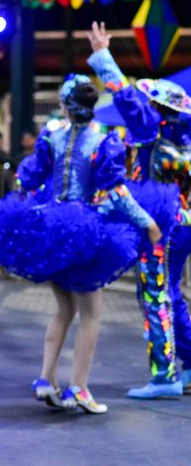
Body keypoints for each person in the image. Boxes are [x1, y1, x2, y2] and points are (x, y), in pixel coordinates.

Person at [0, 75, 160, 413]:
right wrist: (146, 220)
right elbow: (116, 191)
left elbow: (27, 178)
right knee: (90, 314)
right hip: (85, 232)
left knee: (63, 310)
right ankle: (80, 388)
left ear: (65, 105)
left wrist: (25, 206)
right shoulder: (104, 142)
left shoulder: (52, 138)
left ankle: (46, 378)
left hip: (51, 228)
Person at [87, 20, 191, 398]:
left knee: (156, 294)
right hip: (182, 224)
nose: (142, 106)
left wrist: (102, 56)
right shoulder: (182, 141)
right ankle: (189, 364)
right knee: (171, 293)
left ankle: (165, 376)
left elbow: (126, 99)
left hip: (160, 227)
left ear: (158, 109)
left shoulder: (152, 131)